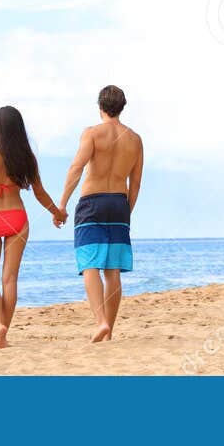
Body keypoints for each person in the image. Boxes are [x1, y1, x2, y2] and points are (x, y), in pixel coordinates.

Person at [0, 106, 65, 348]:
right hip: (17, 218)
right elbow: (40, 193)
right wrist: (57, 213)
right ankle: (4, 334)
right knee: (10, 280)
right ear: (19, 130)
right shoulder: (27, 159)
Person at [57, 84, 143, 342]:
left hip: (92, 202)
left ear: (100, 107)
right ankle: (109, 331)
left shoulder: (92, 133)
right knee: (113, 269)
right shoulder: (135, 139)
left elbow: (76, 167)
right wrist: (127, 209)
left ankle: (100, 322)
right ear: (122, 107)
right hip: (119, 202)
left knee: (89, 264)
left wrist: (62, 205)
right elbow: (135, 182)